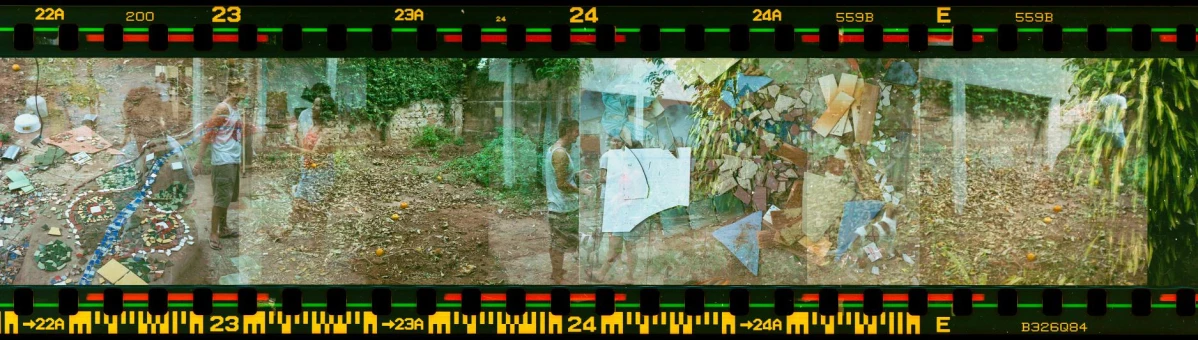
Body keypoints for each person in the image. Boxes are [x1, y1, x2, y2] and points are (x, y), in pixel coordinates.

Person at [194, 83, 256, 251]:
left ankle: (224, 228)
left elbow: (232, 132)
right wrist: (199, 161)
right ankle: (214, 233)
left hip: (232, 159)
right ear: (232, 90)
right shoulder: (222, 108)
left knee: (227, 197)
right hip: (223, 160)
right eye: (243, 88)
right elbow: (207, 135)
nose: (246, 91)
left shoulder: (234, 109)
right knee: (221, 198)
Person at [591, 140, 660, 283]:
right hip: (620, 213)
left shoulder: (640, 172)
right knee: (614, 245)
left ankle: (629, 276)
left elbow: (639, 196)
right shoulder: (626, 170)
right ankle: (602, 273)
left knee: (630, 246)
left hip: (632, 215)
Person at [545, 119, 590, 284]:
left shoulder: (556, 150)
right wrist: (582, 191)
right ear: (568, 131)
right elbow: (562, 184)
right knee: (560, 243)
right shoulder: (560, 153)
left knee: (559, 241)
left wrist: (577, 174)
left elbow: (563, 176)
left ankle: (557, 271)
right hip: (561, 207)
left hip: (561, 206)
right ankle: (557, 277)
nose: (578, 134)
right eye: (576, 131)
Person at [285, 97, 335, 224]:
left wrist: (293, 148)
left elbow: (316, 154)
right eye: (313, 104)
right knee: (302, 203)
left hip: (320, 172)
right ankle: (286, 231)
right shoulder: (315, 127)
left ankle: (287, 231)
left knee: (315, 206)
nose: (313, 107)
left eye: (317, 105)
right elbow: (306, 147)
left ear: (324, 111)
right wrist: (296, 136)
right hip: (310, 170)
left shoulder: (327, 131)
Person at [1094, 93, 1129, 183]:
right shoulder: (1121, 99)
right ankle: (1116, 179)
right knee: (1121, 155)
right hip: (1117, 131)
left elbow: (1099, 116)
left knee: (1106, 157)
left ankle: (1107, 180)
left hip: (1105, 131)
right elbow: (1122, 115)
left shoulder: (1102, 99)